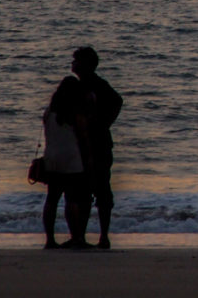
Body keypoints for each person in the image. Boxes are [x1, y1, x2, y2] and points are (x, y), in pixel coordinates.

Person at [71, 46, 123, 250]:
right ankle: (82, 237)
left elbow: (118, 101)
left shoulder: (95, 84)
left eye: (76, 60)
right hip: (84, 144)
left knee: (100, 191)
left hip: (98, 145)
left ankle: (102, 237)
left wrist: (103, 123)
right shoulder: (80, 84)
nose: (73, 63)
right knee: (85, 191)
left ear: (85, 64)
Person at [42, 76, 91, 249]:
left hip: (51, 157)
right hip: (70, 158)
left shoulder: (49, 112)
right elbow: (83, 137)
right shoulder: (74, 113)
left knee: (51, 199)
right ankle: (76, 237)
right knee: (71, 199)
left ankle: (49, 239)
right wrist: (87, 159)